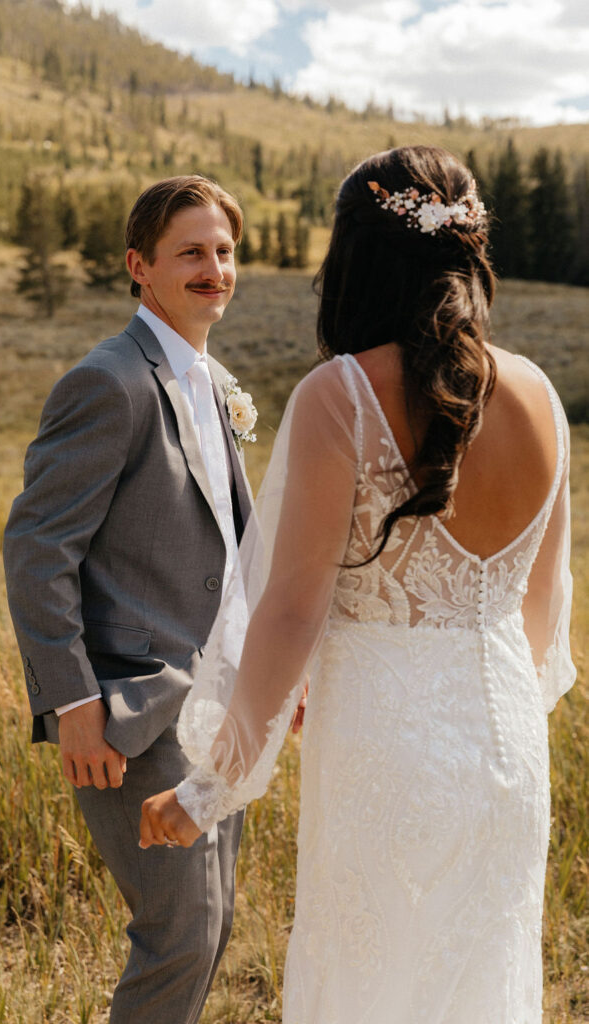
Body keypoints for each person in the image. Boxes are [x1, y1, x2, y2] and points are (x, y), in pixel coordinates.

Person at [140, 146, 576, 1023]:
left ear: (357, 258)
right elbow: (546, 605)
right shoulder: (538, 393)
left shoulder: (340, 394)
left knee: (370, 988)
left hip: (386, 752)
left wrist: (209, 787)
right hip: (509, 757)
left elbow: (292, 611)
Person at [3, 175, 276, 1024]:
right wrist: (74, 702)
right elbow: (37, 548)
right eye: (191, 252)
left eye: (224, 252)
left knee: (213, 920)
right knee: (182, 931)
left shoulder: (211, 380)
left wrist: (269, 672)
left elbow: (230, 552)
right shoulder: (109, 382)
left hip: (220, 700)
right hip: (132, 707)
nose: (214, 268)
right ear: (139, 266)